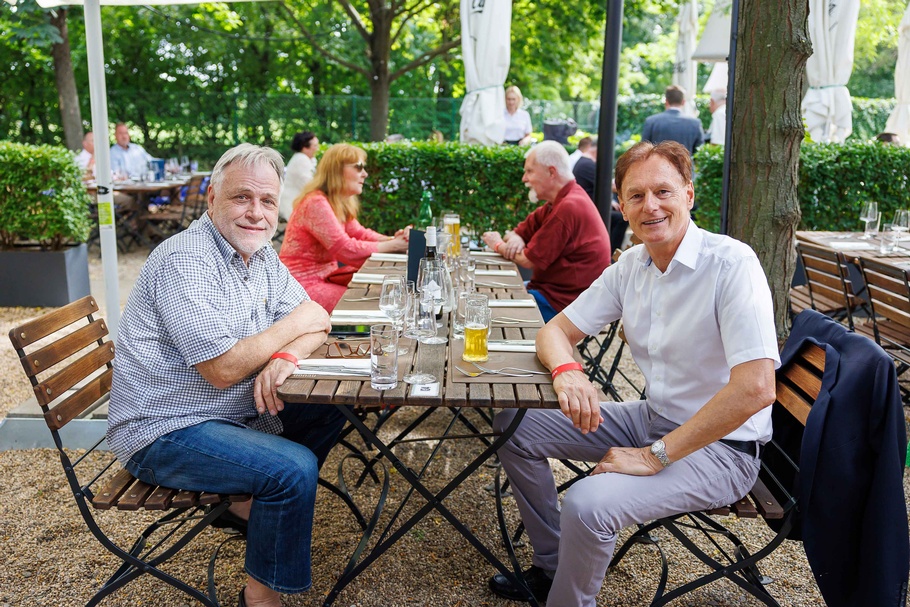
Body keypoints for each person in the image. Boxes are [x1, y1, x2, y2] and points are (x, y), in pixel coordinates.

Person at [485, 141, 780, 606]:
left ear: (688, 194)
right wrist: (567, 371)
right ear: (621, 206)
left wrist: (651, 456)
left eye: (663, 191)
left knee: (586, 504)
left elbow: (757, 389)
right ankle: (554, 565)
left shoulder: (731, 264)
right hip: (654, 418)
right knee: (515, 425)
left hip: (723, 450)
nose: (651, 206)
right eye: (636, 196)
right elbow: (553, 332)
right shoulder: (633, 267)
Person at [107, 143, 347, 607]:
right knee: (292, 468)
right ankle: (259, 598)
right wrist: (294, 326)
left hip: (226, 414)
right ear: (213, 196)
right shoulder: (186, 259)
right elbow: (223, 369)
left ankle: (243, 505)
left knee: (331, 405)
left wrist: (286, 358)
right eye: (242, 197)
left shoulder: (258, 255)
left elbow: (318, 319)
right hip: (162, 428)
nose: (256, 212)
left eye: (267, 201)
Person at [481, 141, 612, 322]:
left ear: (551, 172)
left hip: (567, 309)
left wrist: (497, 244)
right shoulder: (560, 200)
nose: (524, 179)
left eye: (529, 171)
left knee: (485, 313)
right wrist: (516, 239)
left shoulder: (568, 207)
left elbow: (527, 260)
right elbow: (516, 232)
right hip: (551, 296)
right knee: (484, 296)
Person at [279, 143, 409, 312]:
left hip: (327, 279)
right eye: (359, 167)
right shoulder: (315, 202)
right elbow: (345, 249)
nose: (365, 173)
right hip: (301, 286)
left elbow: (360, 233)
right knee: (383, 301)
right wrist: (395, 245)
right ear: (336, 170)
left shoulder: (336, 201)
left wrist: (395, 239)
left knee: (388, 295)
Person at [571, 138, 629, 252]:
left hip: (590, 207)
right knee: (622, 218)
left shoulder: (583, 162)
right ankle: (611, 252)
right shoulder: (588, 165)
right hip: (592, 211)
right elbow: (608, 187)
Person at [641, 85, 705, 156]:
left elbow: (644, 149)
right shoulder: (695, 123)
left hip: (657, 166)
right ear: (683, 102)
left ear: (666, 101)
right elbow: (699, 151)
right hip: (685, 166)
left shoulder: (651, 121)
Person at [279, 131, 319, 221]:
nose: (317, 149)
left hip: (295, 202)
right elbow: (310, 186)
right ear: (305, 147)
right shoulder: (301, 160)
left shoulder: (301, 158)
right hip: (292, 205)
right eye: (315, 146)